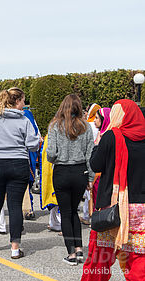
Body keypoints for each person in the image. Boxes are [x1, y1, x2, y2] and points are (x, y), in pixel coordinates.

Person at [81, 99, 145, 280]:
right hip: (140, 208)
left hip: (112, 206)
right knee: (139, 257)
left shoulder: (112, 136)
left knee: (100, 257)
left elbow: (95, 164)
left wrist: (98, 145)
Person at [0, 87, 39, 259]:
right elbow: (32, 145)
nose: (24, 105)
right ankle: (14, 248)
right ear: (17, 101)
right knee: (15, 206)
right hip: (18, 163)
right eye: (23, 101)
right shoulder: (24, 121)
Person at [47, 94, 94, 266]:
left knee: (65, 213)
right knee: (74, 211)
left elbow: (50, 153)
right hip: (80, 170)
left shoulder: (55, 126)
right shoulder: (85, 126)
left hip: (62, 170)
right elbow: (90, 153)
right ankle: (80, 248)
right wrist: (90, 176)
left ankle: (71, 253)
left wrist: (57, 157)